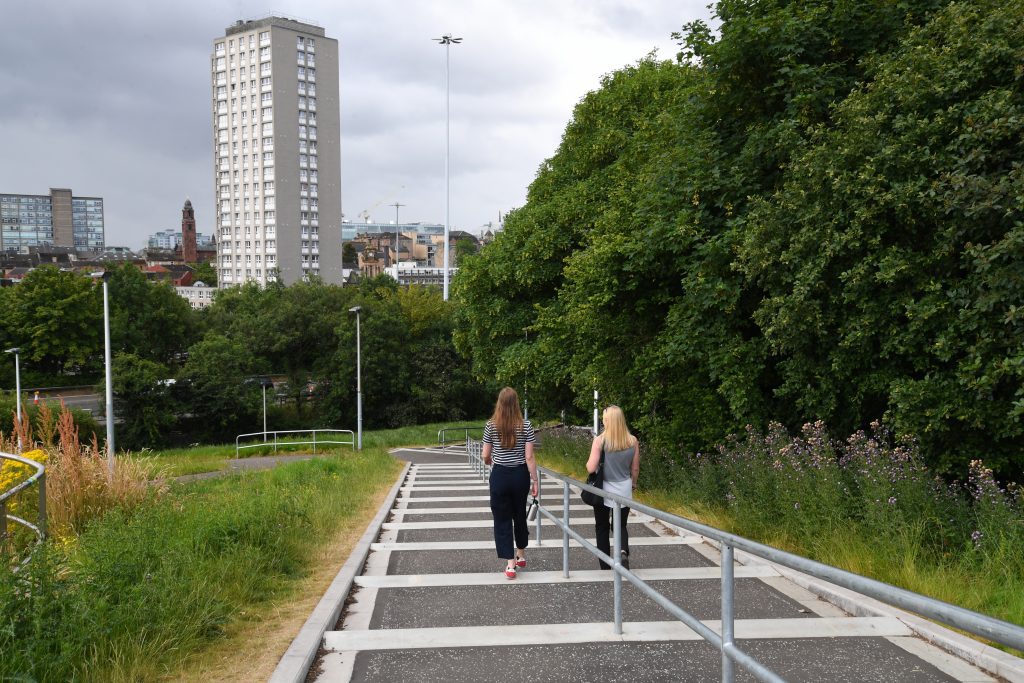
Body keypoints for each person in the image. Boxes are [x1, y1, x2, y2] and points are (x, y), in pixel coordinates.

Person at [482, 387, 538, 579]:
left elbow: (485, 455)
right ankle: (520, 554)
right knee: (519, 515)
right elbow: (529, 457)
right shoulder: (526, 426)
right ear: (516, 403)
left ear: (499, 403)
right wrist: (535, 481)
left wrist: (490, 461)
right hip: (520, 475)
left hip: (500, 476)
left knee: (502, 518)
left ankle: (510, 565)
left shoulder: (491, 425)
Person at [586, 405, 640, 570]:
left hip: (603, 489)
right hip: (624, 488)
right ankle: (623, 551)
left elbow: (590, 467)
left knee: (601, 527)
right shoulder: (632, 441)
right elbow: (635, 468)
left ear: (608, 421)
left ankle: (605, 564)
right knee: (620, 524)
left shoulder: (600, 441)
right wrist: (634, 483)